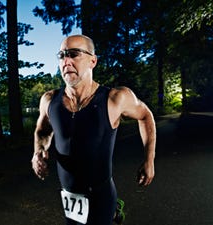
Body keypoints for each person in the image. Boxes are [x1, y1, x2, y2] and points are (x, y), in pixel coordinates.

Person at [31, 34, 156, 225]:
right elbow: (43, 131)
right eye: (62, 55)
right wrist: (38, 152)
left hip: (101, 193)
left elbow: (146, 115)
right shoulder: (49, 100)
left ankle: (112, 208)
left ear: (93, 61)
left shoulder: (116, 98)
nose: (67, 61)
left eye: (74, 54)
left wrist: (149, 160)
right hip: (70, 197)